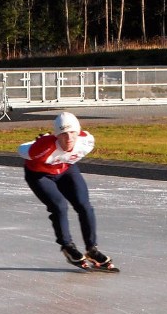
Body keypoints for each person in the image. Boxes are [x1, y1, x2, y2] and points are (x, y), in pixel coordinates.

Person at [18, 112, 118, 272]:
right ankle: (67, 246)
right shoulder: (42, 148)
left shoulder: (87, 142)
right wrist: (39, 142)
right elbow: (21, 149)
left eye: (72, 133)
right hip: (40, 175)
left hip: (65, 170)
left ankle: (92, 249)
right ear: (57, 136)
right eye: (63, 134)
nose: (69, 138)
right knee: (60, 206)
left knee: (84, 205)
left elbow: (74, 148)